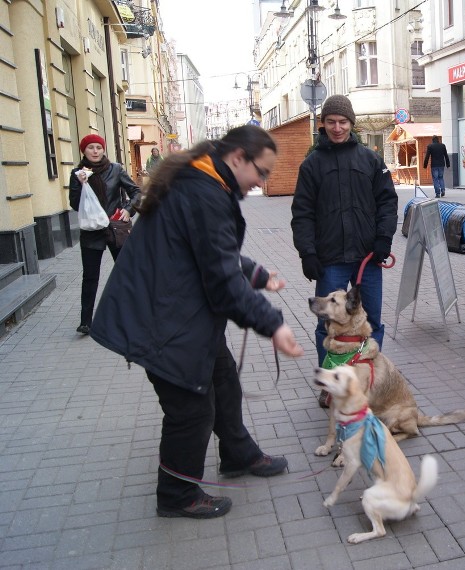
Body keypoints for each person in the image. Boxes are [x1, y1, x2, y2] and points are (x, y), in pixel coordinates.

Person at [89, 125, 304, 519]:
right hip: (164, 320)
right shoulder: (203, 191)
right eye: (262, 171)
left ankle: (238, 453)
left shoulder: (203, 182)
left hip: (173, 311)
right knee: (191, 409)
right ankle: (177, 494)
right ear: (238, 158)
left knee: (222, 379)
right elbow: (221, 281)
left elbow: (208, 252)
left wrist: (256, 275)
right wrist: (273, 325)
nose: (261, 182)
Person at [291, 94, 398, 369]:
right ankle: (331, 382)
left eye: (342, 122)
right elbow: (302, 213)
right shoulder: (312, 165)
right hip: (330, 260)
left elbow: (387, 201)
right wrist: (308, 253)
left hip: (368, 258)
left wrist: (383, 238)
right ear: (322, 125)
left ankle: (367, 377)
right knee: (327, 323)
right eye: (331, 122)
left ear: (351, 123)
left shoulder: (370, 160)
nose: (337, 128)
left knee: (370, 320)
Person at [68, 134, 141, 335]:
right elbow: (74, 204)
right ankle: (86, 322)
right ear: (84, 150)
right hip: (92, 231)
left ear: (103, 149)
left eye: (98, 147)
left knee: (126, 272)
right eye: (90, 147)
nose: (95, 151)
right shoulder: (78, 173)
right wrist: (81, 185)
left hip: (116, 228)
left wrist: (128, 209)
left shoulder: (115, 169)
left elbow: (136, 192)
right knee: (90, 276)